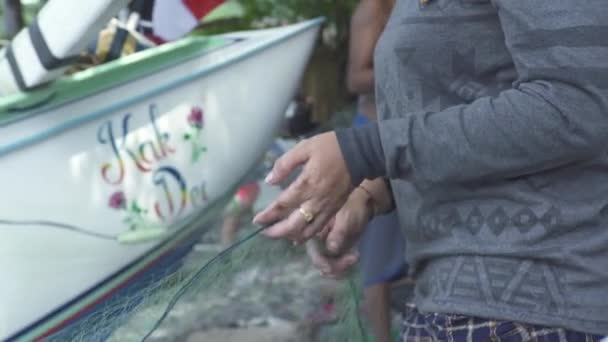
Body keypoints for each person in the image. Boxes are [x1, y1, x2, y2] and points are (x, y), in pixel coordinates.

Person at [254, 1, 608, 340]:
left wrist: (367, 150)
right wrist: (370, 194)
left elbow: (578, 105)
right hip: (439, 302)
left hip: (536, 311)